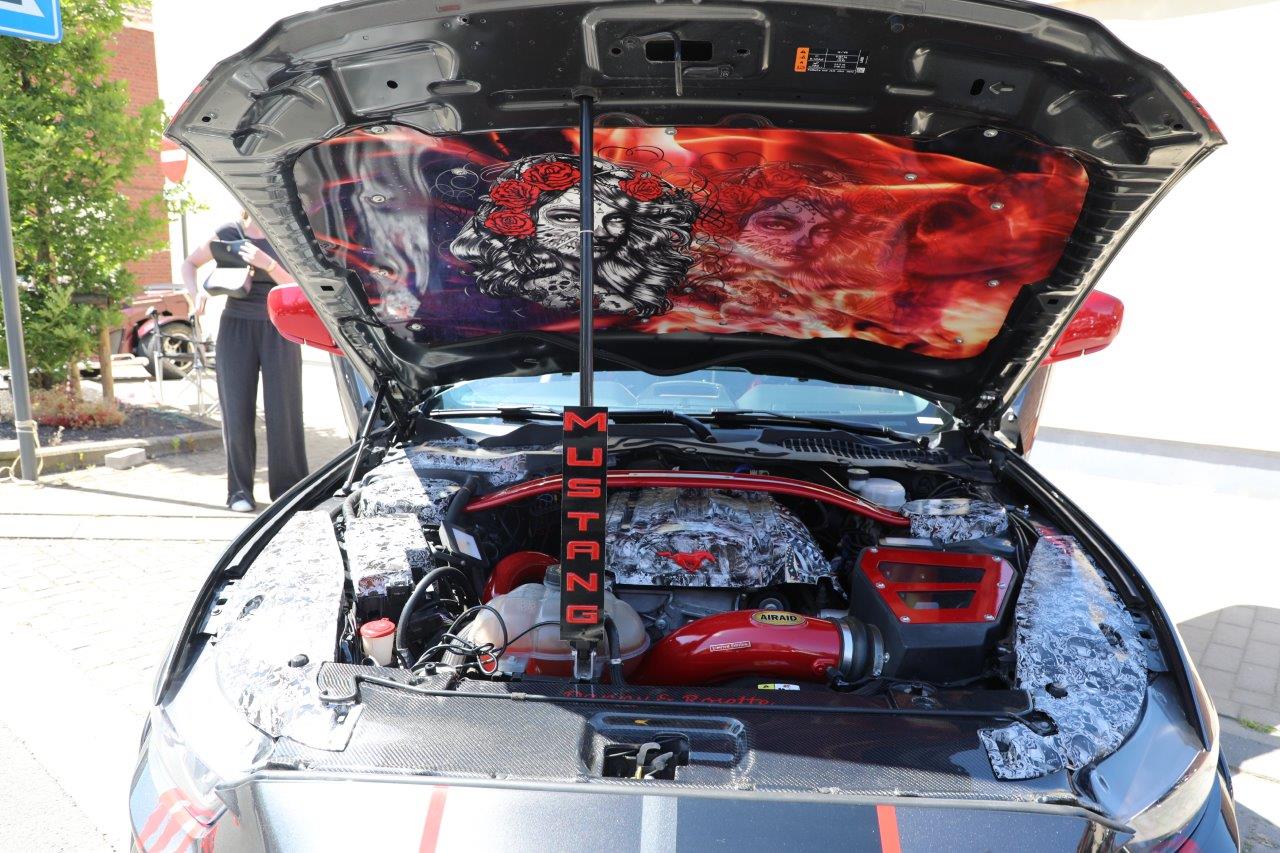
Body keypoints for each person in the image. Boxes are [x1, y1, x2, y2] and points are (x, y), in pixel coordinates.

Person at [180, 212, 308, 512]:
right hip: (235, 326)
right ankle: (239, 492)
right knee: (235, 411)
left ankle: (289, 491)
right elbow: (190, 263)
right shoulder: (228, 231)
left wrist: (268, 264)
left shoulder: (284, 230)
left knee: (284, 410)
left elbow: (299, 287)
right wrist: (194, 295)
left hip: (280, 327)